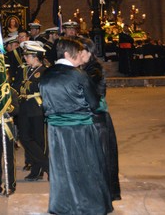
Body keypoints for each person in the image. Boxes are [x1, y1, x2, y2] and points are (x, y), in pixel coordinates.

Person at [39, 37, 112, 214]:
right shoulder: (78, 75)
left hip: (56, 131)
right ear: (68, 54)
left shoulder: (46, 74)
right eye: (78, 53)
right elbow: (94, 104)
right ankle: (88, 206)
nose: (81, 56)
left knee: (62, 169)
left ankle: (63, 205)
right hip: (80, 130)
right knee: (86, 168)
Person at [79, 37, 121, 202]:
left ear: (88, 52)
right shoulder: (85, 68)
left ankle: (102, 195)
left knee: (100, 158)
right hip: (91, 118)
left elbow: (93, 95)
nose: (77, 54)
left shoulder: (94, 70)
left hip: (97, 120)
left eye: (80, 51)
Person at [18, 40, 48, 181]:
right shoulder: (27, 70)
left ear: (36, 56)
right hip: (24, 107)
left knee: (38, 140)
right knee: (24, 137)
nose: (25, 58)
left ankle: (38, 170)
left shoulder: (44, 71)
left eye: (28, 55)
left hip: (36, 108)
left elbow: (38, 89)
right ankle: (46, 166)